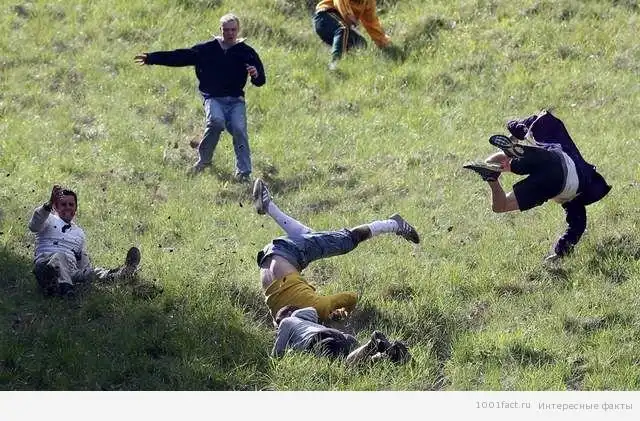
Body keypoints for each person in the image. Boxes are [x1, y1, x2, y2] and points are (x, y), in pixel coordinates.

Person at [252, 178, 420, 323]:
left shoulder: (319, 308)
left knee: (347, 240)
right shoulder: (279, 320)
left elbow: (351, 297)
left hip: (289, 252)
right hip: (268, 258)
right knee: (313, 238)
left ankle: (394, 224)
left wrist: (344, 312)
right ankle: (269, 207)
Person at [463, 110, 611, 261]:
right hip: (555, 184)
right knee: (501, 206)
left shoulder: (569, 153)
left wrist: (515, 132)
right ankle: (499, 169)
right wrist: (560, 252)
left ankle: (504, 162)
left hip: (550, 159)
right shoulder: (575, 200)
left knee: (525, 159)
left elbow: (538, 120)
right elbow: (577, 227)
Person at [134, 13, 266, 182]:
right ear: (220, 30)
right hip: (213, 98)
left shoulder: (247, 52)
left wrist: (255, 74)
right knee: (216, 121)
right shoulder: (207, 49)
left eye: (233, 30)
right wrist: (151, 58)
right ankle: (204, 160)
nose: (230, 33)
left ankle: (244, 173)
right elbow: (179, 56)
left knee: (239, 130)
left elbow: (260, 80)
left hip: (236, 101)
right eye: (226, 30)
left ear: (238, 30)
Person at [28, 185, 141, 298]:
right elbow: (34, 226)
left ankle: (120, 274)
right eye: (63, 204)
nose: (68, 207)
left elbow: (82, 259)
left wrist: (87, 273)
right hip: (47, 265)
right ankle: (65, 290)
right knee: (59, 257)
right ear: (55, 207)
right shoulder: (48, 219)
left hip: (69, 271)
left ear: (75, 209)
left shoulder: (79, 233)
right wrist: (48, 204)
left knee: (92, 272)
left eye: (71, 205)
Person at [272, 305, 411, 365]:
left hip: (319, 339)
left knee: (346, 367)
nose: (279, 327)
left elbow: (277, 354)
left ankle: (372, 344)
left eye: (278, 322)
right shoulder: (311, 323)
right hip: (341, 336)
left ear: (289, 314)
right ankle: (391, 352)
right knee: (362, 365)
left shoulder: (287, 321)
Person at [313, 0, 399, 70]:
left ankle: (347, 68)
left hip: (340, 26)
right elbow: (340, 2)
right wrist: (348, 16)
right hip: (325, 16)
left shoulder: (369, 2)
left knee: (360, 44)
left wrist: (384, 42)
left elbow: (371, 23)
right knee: (343, 29)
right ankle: (335, 64)